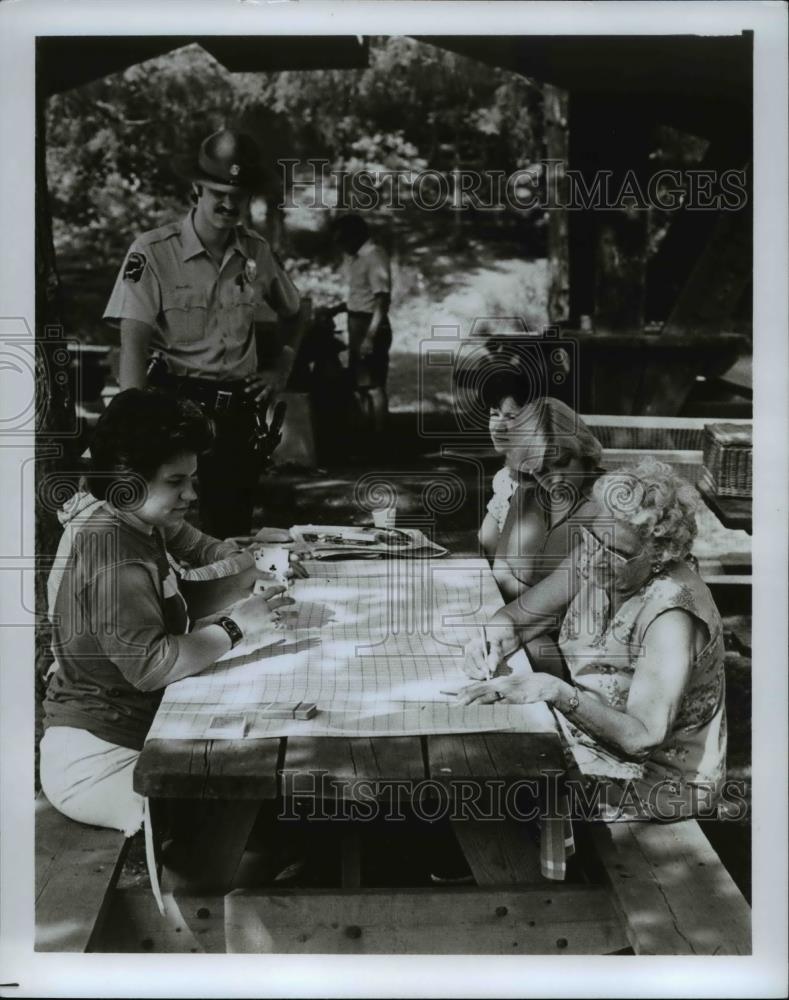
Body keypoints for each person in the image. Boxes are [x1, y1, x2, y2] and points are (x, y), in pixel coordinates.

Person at [40, 389, 294, 836]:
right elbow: (151, 665)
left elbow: (174, 607)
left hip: (136, 734)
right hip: (100, 759)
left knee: (267, 803)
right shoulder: (112, 549)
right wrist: (237, 628)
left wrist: (241, 592)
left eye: (192, 480)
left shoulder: (136, 525)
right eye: (176, 482)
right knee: (258, 815)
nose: (191, 494)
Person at [460, 458, 727, 821]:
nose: (597, 558)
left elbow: (643, 738)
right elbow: (518, 619)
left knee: (494, 791)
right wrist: (489, 643)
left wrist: (555, 691)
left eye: (616, 552)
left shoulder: (672, 615)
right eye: (593, 536)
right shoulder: (595, 553)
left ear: (660, 555)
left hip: (656, 780)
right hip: (591, 745)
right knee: (477, 755)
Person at [104, 128, 302, 539]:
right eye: (218, 192)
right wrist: (133, 425)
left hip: (235, 420)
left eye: (239, 195)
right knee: (157, 528)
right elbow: (134, 339)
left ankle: (229, 605)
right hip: (173, 411)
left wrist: (281, 367)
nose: (228, 204)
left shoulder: (257, 252)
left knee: (230, 536)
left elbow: (298, 313)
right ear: (197, 189)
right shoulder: (154, 251)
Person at [480, 385, 605, 603]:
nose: (554, 480)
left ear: (582, 450)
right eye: (541, 470)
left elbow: (592, 598)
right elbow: (500, 568)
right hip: (517, 620)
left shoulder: (607, 503)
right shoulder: (526, 492)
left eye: (562, 463)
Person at [327, 213, 393, 433]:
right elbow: (359, 297)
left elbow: (381, 301)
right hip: (356, 324)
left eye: (342, 240)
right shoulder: (356, 258)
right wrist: (334, 310)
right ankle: (365, 434)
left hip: (370, 326)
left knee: (374, 385)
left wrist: (370, 337)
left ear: (354, 236)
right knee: (360, 384)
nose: (340, 246)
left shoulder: (374, 256)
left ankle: (380, 436)